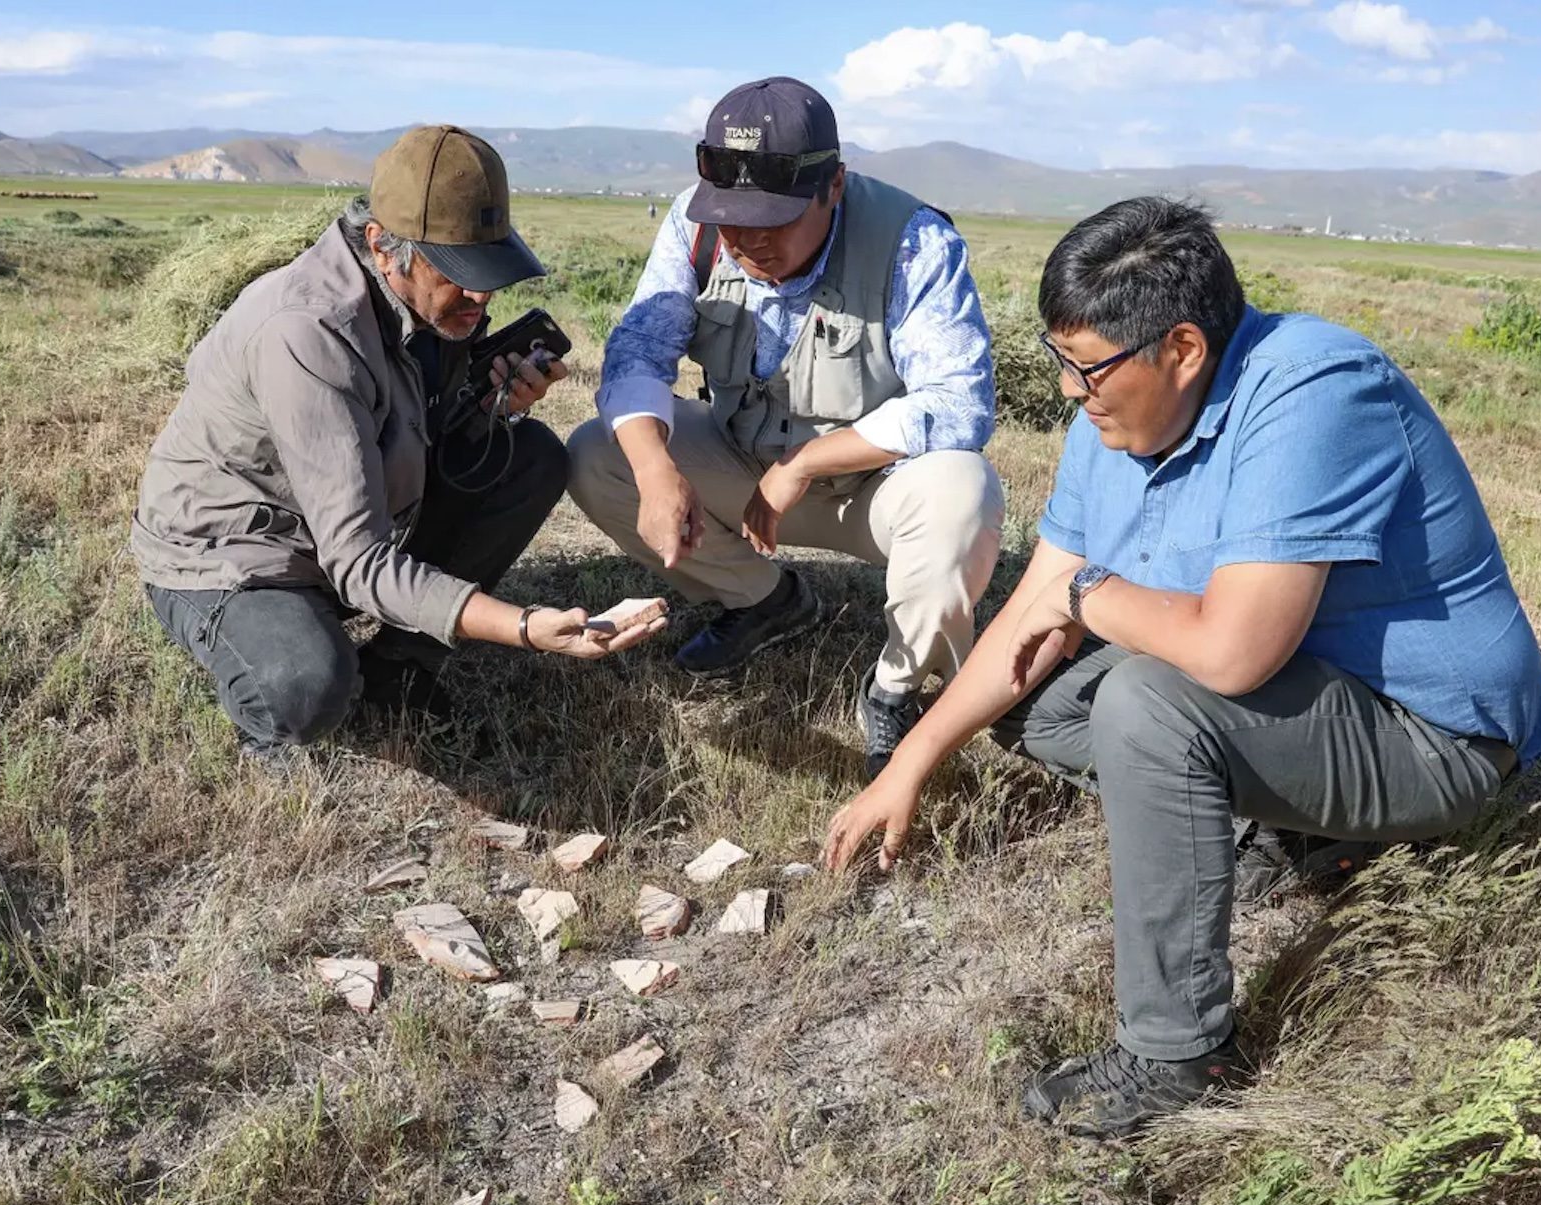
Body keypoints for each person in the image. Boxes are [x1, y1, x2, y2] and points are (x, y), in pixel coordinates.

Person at [821, 197, 1541, 1139]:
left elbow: (1229, 652)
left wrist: (1086, 598)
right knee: (1037, 691)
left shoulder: (1315, 394)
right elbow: (1032, 614)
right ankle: (1305, 833)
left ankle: (1177, 1055)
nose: (1071, 395)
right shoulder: (1112, 420)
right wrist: (909, 764)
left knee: (1145, 704)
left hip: (1430, 736)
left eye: (1087, 370)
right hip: (1303, 702)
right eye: (1061, 363)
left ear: (1182, 349)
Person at [131, 126, 664, 764]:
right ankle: (269, 712)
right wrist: (523, 627)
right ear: (383, 247)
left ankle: (399, 670)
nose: (481, 295)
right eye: (461, 272)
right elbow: (357, 559)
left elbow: (414, 435)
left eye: (490, 270)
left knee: (531, 458)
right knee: (305, 685)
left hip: (350, 518)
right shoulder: (306, 334)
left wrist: (488, 411)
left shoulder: (425, 302)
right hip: (237, 553)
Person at [567, 77, 1003, 778]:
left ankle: (895, 687)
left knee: (964, 491)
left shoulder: (912, 240)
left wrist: (805, 463)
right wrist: (655, 471)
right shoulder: (695, 225)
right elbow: (636, 354)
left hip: (875, 491)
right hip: (744, 472)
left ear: (834, 186)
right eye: (733, 219)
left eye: (772, 220)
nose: (747, 241)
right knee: (599, 453)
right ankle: (764, 600)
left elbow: (959, 403)